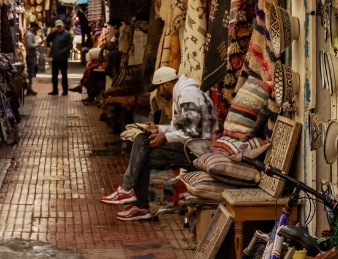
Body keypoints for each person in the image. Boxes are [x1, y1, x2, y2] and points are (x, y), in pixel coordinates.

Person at [100, 67, 215, 221]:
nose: (159, 93)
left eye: (159, 88)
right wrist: (158, 128)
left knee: (144, 158)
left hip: (195, 150)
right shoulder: (184, 93)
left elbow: (192, 131)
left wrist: (165, 137)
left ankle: (135, 198)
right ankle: (131, 193)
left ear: (166, 84)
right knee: (142, 140)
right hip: (190, 145)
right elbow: (181, 127)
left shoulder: (188, 95)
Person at [45, 19, 73, 96]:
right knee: (54, 75)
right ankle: (55, 90)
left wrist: (62, 52)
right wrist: (52, 32)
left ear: (62, 26)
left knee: (64, 74)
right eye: (57, 27)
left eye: (60, 26)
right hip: (55, 57)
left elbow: (70, 45)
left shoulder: (67, 34)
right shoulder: (55, 34)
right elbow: (48, 39)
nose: (59, 28)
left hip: (63, 58)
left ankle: (65, 90)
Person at [23, 22, 41, 96]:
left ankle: (29, 89)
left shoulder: (29, 34)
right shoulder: (29, 34)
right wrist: (38, 44)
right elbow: (30, 45)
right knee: (30, 73)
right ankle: (29, 89)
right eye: (36, 28)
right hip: (30, 55)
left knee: (31, 73)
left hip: (31, 55)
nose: (36, 30)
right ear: (33, 27)